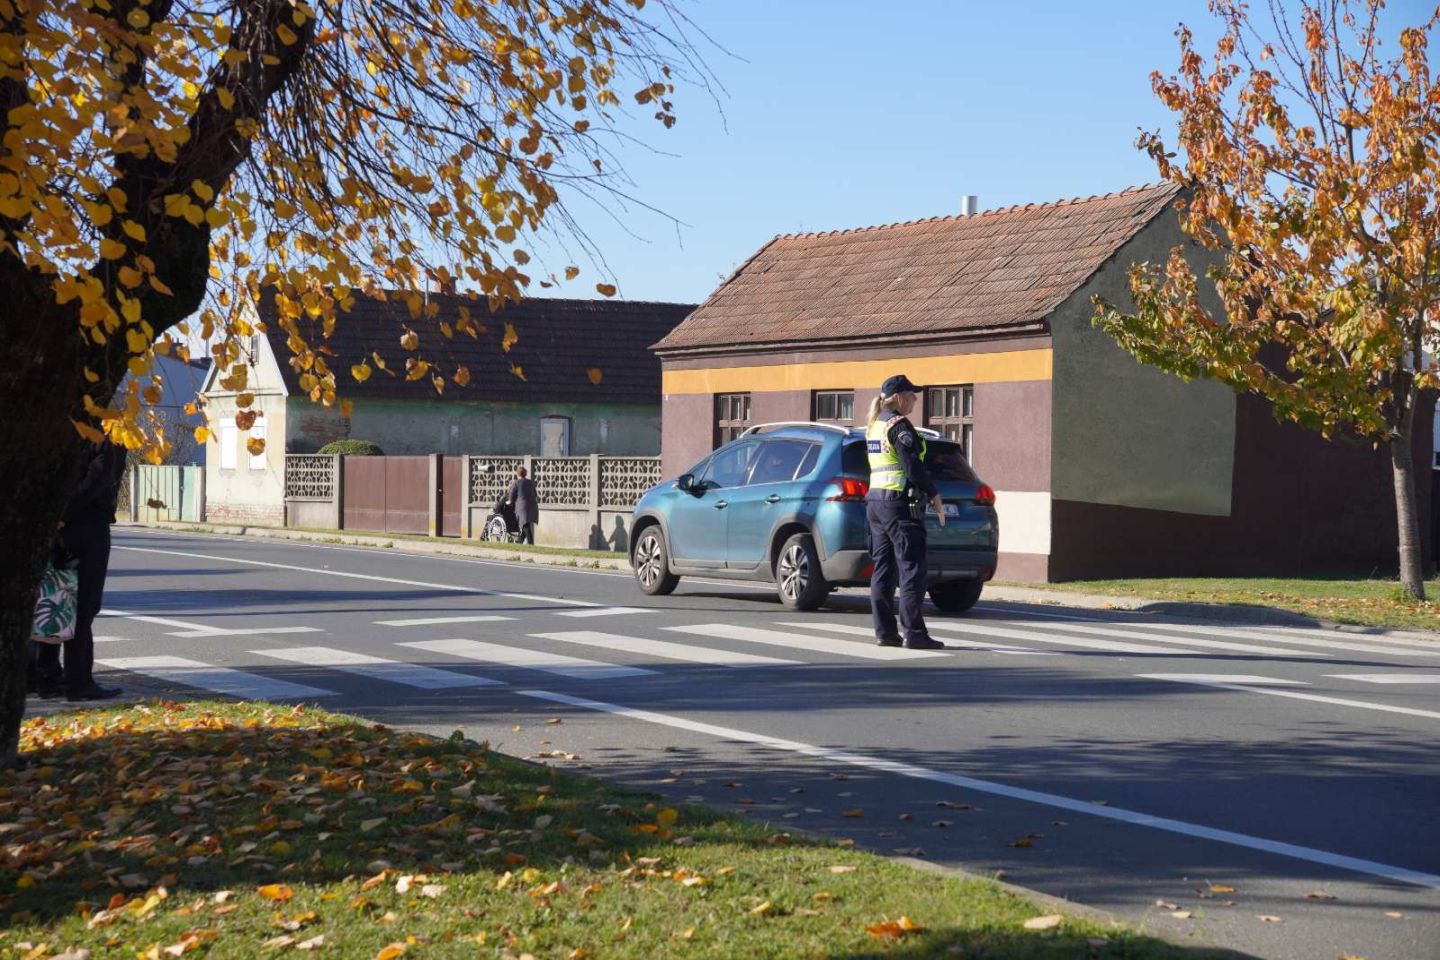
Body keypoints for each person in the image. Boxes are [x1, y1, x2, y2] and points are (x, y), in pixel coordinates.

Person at [34, 439, 127, 700]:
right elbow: (97, 480)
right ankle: (77, 682)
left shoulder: (56, 429)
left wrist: (54, 515)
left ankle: (47, 678)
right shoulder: (106, 435)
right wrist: (65, 512)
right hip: (88, 525)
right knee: (83, 607)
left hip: (57, 527)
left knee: (54, 600)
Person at [865, 375, 946, 650]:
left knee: (883, 570)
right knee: (912, 569)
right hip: (898, 504)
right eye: (912, 395)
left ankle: (885, 632)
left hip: (876, 503)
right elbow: (912, 467)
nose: (915, 400)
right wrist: (934, 494)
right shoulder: (899, 426)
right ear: (898, 396)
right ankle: (914, 634)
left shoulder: (875, 425)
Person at [505, 466, 539, 545]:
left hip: (522, 507)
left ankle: (531, 544)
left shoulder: (516, 483)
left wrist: (509, 502)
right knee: (526, 524)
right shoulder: (530, 482)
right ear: (525, 474)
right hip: (532, 506)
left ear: (517, 474)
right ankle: (519, 541)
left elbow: (511, 496)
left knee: (525, 526)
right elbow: (535, 494)